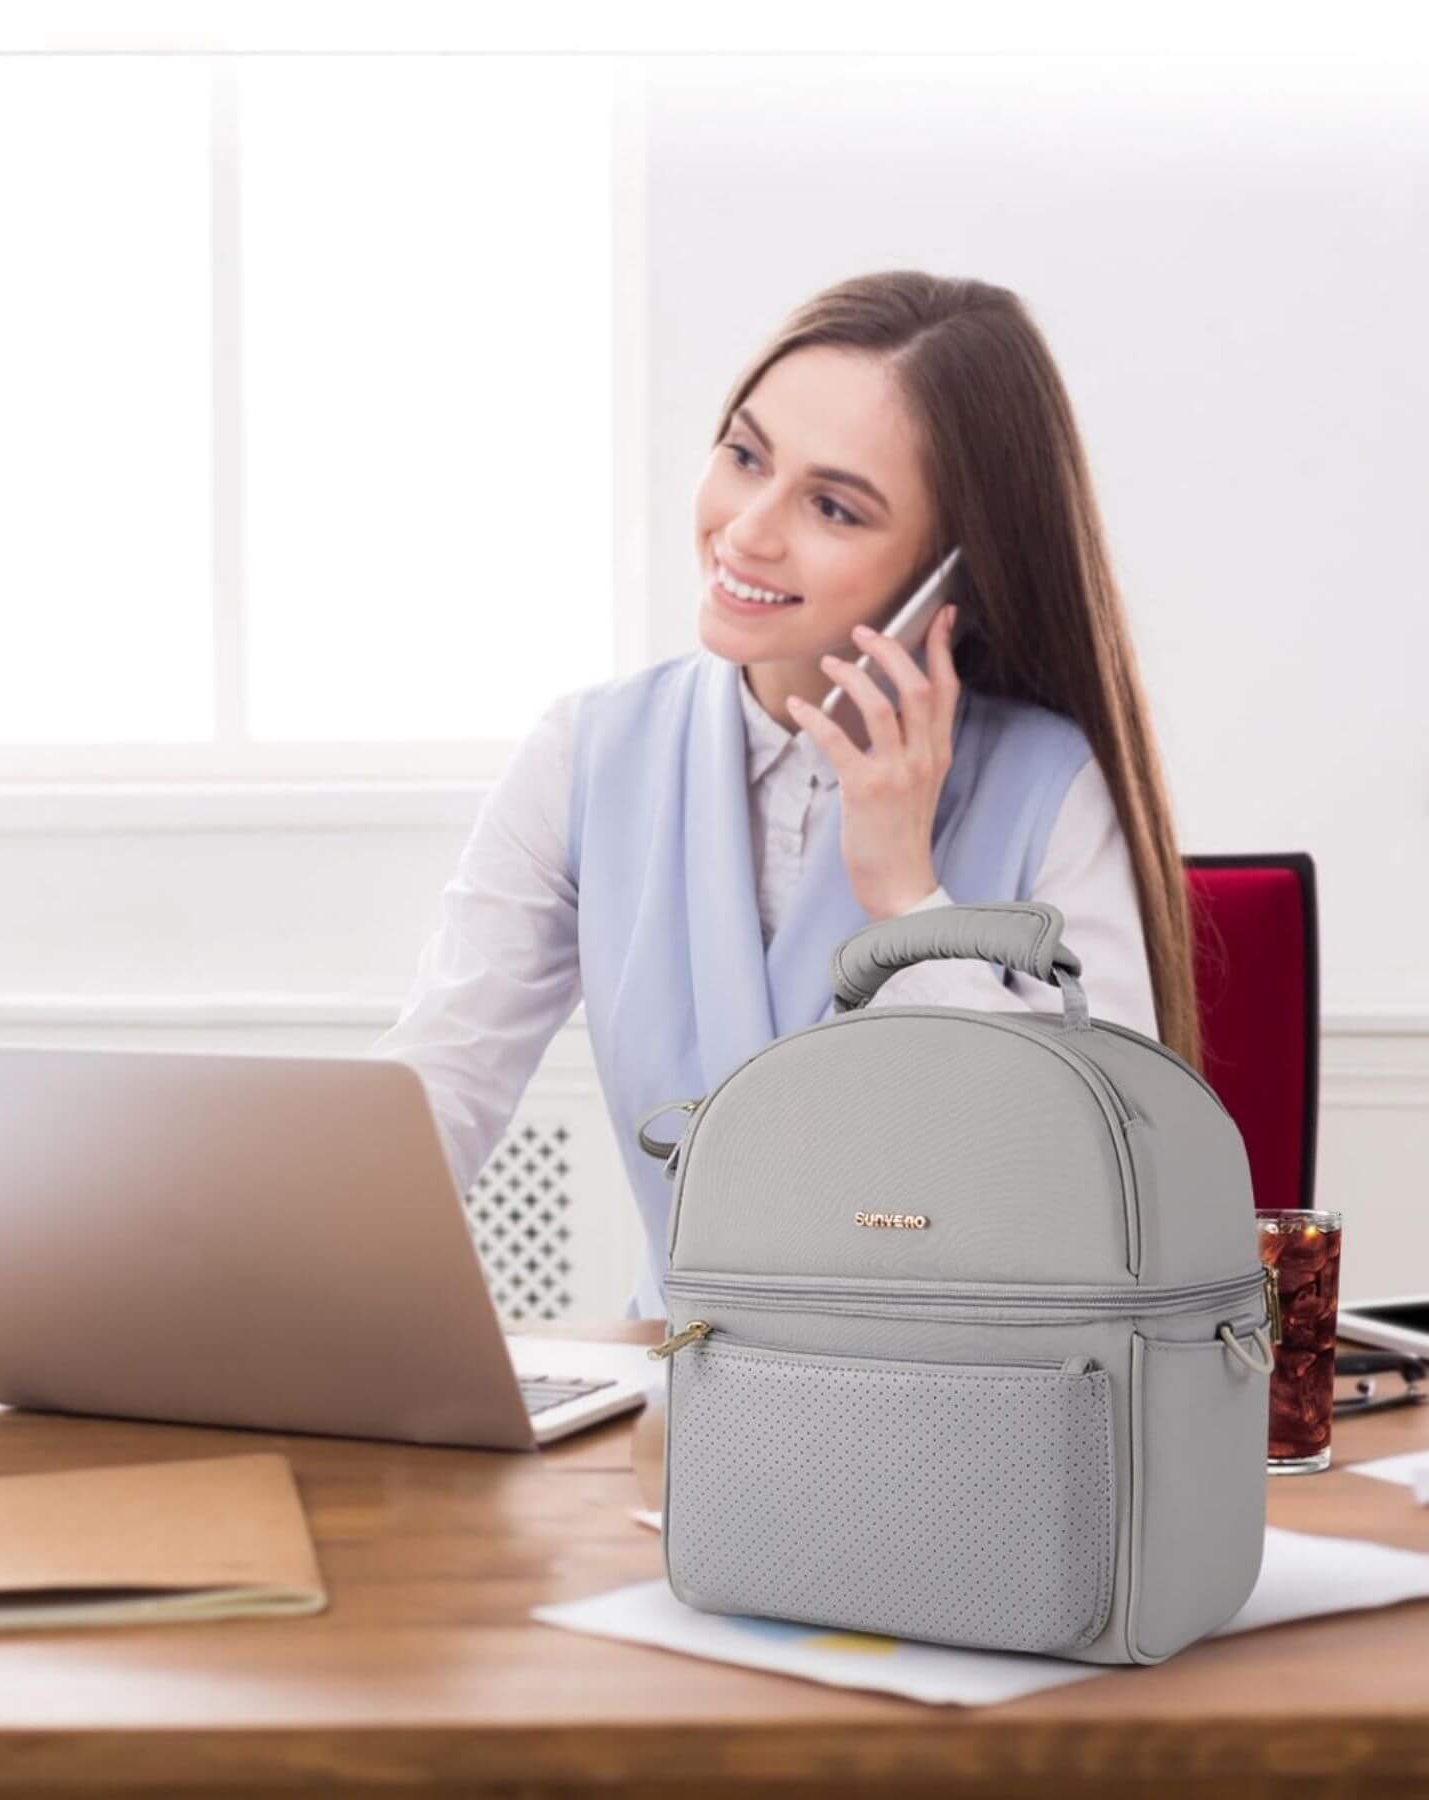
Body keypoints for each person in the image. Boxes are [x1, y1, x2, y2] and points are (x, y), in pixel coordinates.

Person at [367, 270, 1204, 1319]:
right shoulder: (589, 754)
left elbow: (1105, 1187)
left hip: (978, 1428)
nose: (747, 530)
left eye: (833, 506)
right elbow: (440, 1087)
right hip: (679, 1420)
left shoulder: (1050, 788)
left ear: (955, 570)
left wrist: (907, 895)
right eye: (744, 456)